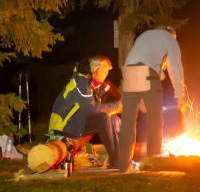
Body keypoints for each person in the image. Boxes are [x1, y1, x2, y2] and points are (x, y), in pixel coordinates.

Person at [118, 26, 187, 172]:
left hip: (129, 72)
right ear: (172, 35)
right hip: (147, 73)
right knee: (155, 120)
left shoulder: (147, 34)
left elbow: (142, 61)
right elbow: (175, 67)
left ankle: (124, 166)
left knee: (128, 121)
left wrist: (142, 97)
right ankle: (153, 165)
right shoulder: (170, 38)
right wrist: (180, 95)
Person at [49, 54, 122, 168]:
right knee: (103, 118)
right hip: (63, 127)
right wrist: (116, 106)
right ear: (96, 69)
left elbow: (98, 110)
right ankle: (118, 161)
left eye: (108, 71)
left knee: (108, 118)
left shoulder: (93, 85)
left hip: (77, 123)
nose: (106, 73)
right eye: (104, 70)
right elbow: (91, 109)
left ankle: (119, 159)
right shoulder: (81, 82)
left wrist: (116, 118)